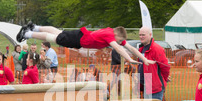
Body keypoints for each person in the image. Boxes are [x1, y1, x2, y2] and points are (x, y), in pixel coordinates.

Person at [17, 21, 154, 66]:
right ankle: (27, 34)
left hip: (80, 36)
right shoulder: (110, 35)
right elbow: (118, 48)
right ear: (117, 35)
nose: (119, 42)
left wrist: (144, 59)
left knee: (58, 32)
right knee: (55, 38)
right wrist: (129, 59)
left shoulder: (113, 34)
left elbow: (130, 47)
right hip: (79, 39)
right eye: (118, 40)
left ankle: (33, 27)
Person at [137, 26, 170, 101]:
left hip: (155, 85)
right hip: (145, 84)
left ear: (150, 35)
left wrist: (163, 79)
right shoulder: (141, 49)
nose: (141, 37)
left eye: (143, 35)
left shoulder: (157, 49)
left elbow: (165, 67)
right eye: (140, 35)